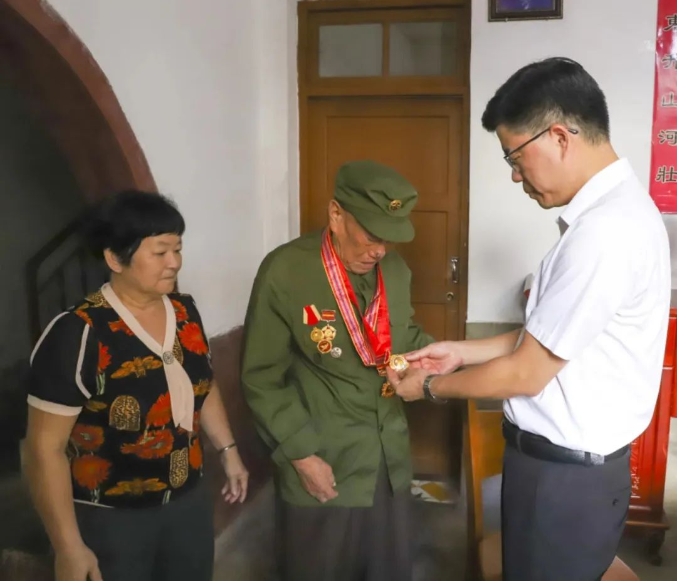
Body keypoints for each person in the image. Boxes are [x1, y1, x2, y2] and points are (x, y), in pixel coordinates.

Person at [388, 57, 671, 581]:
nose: (516, 175)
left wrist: (428, 386)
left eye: (516, 157)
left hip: (562, 483)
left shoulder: (603, 234)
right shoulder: (620, 213)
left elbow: (526, 372)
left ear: (559, 136)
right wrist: (459, 352)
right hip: (571, 476)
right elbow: (553, 335)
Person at [23, 191, 249, 581]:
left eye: (177, 249)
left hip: (188, 502)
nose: (174, 262)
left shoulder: (185, 311)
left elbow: (203, 384)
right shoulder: (79, 333)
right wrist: (68, 547)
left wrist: (228, 451)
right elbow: (43, 450)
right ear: (115, 259)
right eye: (160, 252)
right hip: (111, 519)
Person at [241, 160, 434, 581]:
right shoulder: (286, 271)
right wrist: (301, 454)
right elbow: (262, 376)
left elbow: (401, 336)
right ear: (336, 214)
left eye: (388, 239)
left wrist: (447, 358)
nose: (379, 250)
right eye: (371, 235)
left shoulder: (395, 272)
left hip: (387, 460)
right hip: (324, 459)